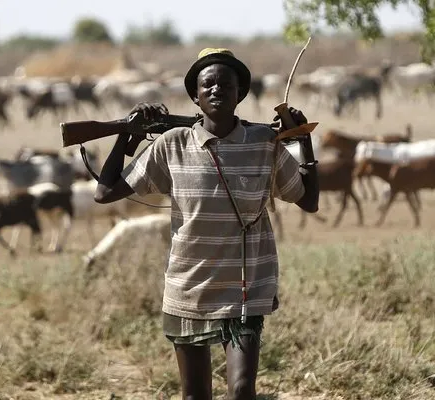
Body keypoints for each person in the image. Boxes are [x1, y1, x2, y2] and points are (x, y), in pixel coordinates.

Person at [94, 47, 319, 400]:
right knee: (194, 396)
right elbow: (104, 192)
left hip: (246, 289)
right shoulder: (171, 145)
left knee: (243, 389)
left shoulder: (264, 144)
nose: (216, 90)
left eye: (226, 84)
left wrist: (304, 142)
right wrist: (127, 133)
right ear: (194, 96)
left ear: (240, 93)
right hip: (189, 290)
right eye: (207, 84)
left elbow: (309, 200)